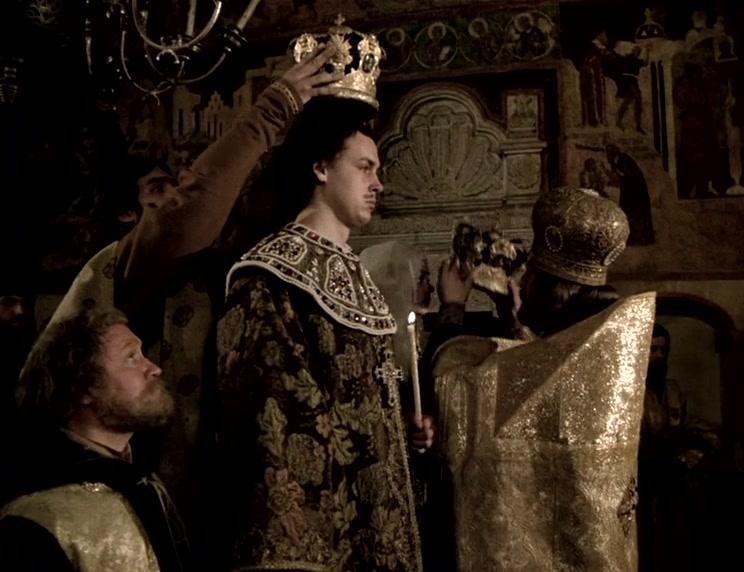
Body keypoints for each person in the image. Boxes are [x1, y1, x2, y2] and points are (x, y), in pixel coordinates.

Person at [21, 45, 345, 543]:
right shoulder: (128, 265)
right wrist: (276, 105)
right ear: (127, 214)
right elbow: (188, 214)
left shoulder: (214, 271)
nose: (173, 198)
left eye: (175, 186)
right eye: (157, 190)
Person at [216, 92, 429, 570]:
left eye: (377, 169)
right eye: (364, 167)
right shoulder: (271, 276)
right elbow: (275, 428)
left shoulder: (355, 273)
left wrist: (403, 430)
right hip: (320, 543)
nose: (378, 183)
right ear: (320, 168)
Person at [432, 187, 656, 570]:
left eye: (530, 275)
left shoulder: (553, 365)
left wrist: (452, 306)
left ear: (548, 289)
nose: (522, 284)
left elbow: (454, 385)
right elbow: (541, 367)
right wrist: (515, 322)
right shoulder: (609, 345)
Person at [0, 309, 187, 571]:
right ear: (83, 387)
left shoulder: (144, 482)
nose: (154, 369)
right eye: (131, 357)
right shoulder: (39, 515)